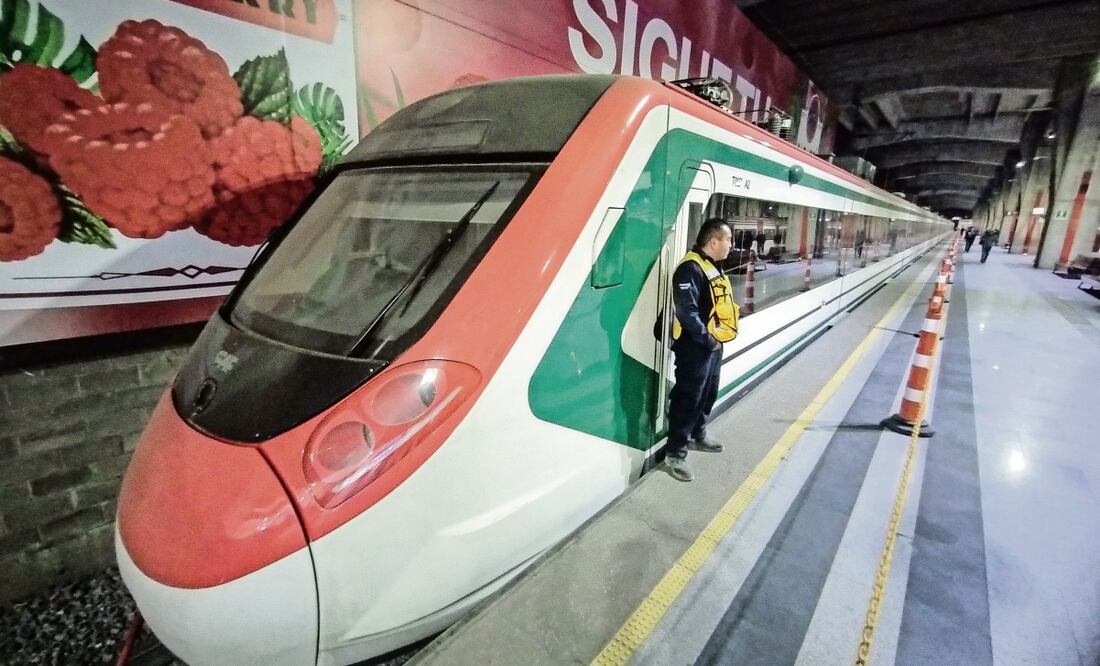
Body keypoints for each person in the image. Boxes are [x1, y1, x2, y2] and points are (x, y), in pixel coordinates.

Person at [665, 218, 740, 482]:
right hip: (694, 347)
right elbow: (687, 312)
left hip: (711, 345)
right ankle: (675, 452)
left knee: (709, 391)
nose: (731, 245)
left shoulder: (711, 267)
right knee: (689, 397)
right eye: (728, 239)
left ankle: (697, 434)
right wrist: (708, 340)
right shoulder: (690, 269)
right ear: (714, 241)